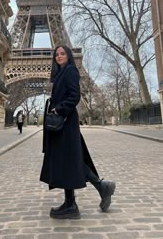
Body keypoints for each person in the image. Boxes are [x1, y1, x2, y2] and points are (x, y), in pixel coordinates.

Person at [40, 45, 116, 220]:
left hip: (65, 123)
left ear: (68, 56)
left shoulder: (70, 70)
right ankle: (75, 201)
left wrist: (58, 110)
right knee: (69, 161)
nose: (59, 56)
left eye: (62, 53)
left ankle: (77, 201)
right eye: (56, 54)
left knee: (69, 160)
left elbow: (75, 96)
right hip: (63, 124)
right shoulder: (61, 73)